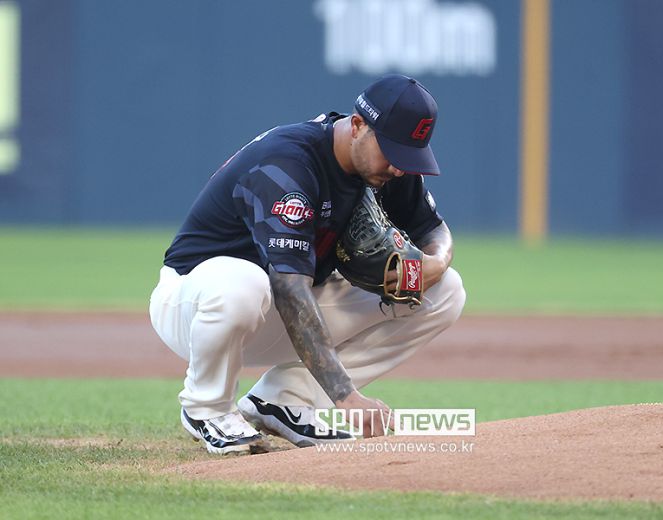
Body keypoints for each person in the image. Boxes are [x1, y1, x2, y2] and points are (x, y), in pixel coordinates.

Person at [149, 74, 466, 455]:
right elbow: (289, 288)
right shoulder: (289, 164)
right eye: (393, 153)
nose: (400, 168)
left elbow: (432, 228)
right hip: (195, 303)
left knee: (446, 291)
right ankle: (207, 407)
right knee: (246, 283)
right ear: (358, 125)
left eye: (409, 156)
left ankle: (284, 400)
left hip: (276, 307)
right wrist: (347, 398)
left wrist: (435, 262)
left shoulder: (386, 165)